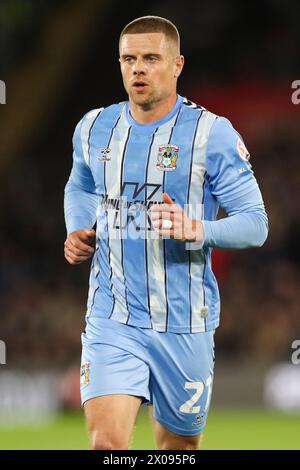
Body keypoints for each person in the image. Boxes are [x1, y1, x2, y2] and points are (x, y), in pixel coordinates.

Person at [64, 16, 268, 450]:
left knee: (177, 451)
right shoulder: (94, 127)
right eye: (129, 59)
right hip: (111, 318)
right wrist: (78, 227)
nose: (138, 69)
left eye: (151, 58)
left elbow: (255, 224)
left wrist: (196, 227)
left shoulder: (212, 134)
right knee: (107, 446)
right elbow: (80, 183)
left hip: (185, 322)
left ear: (177, 64)